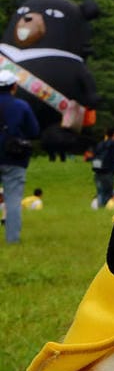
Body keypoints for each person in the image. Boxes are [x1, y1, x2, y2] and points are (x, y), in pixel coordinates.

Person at [0, 70, 38, 244]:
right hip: (14, 158)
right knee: (13, 201)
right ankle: (12, 240)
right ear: (14, 86)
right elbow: (34, 131)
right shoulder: (21, 106)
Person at [90, 128, 114, 210]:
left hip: (98, 170)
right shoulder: (113, 144)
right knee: (108, 191)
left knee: (100, 191)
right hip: (108, 171)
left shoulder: (100, 144)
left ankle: (100, 207)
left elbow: (94, 155)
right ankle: (106, 207)